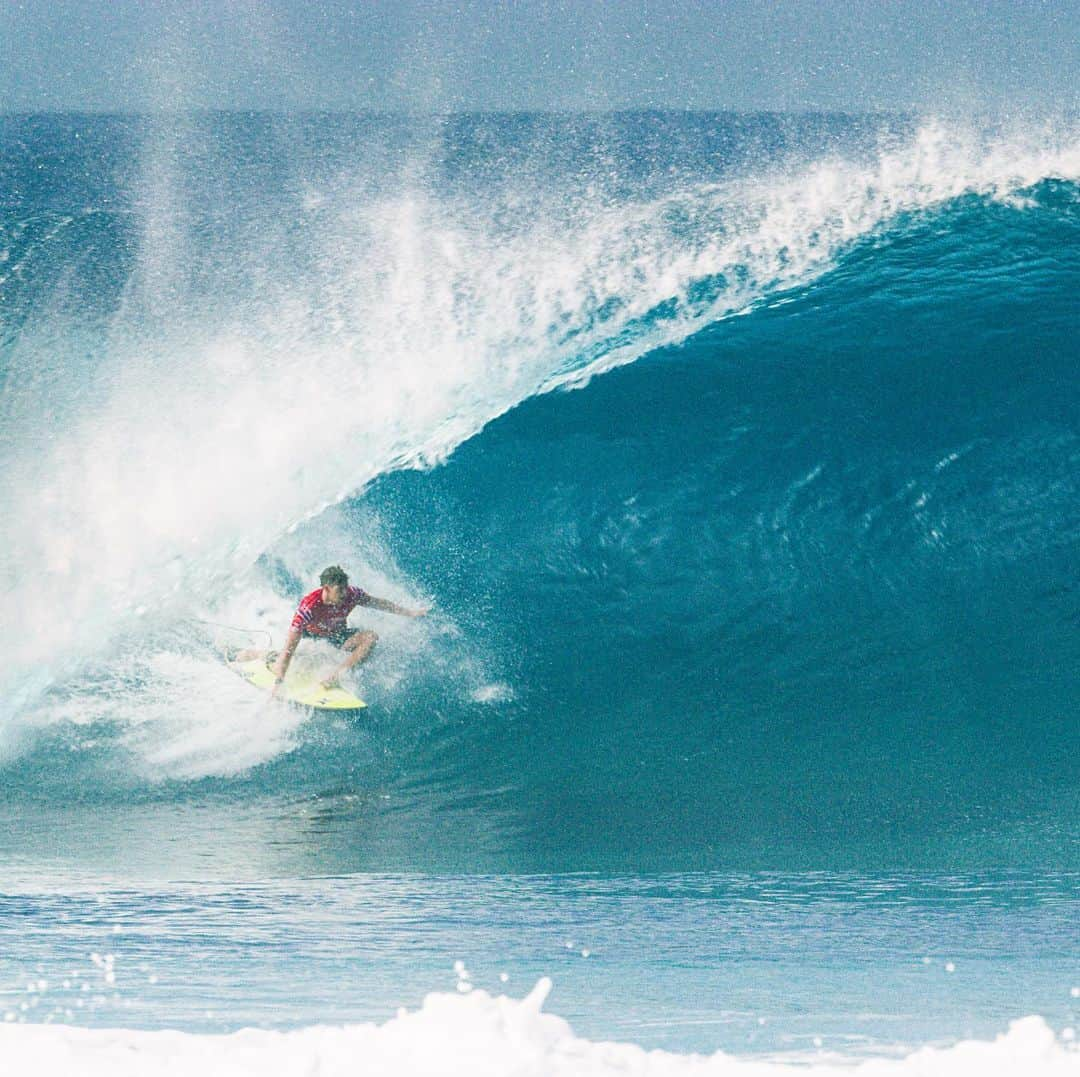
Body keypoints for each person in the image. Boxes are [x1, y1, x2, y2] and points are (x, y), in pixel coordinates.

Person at [271, 565, 426, 693]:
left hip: (338, 636)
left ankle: (336, 676)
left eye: (346, 588)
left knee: (370, 637)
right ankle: (261, 655)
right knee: (282, 657)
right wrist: (278, 683)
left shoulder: (352, 594)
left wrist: (410, 613)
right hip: (311, 639)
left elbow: (380, 604)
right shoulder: (309, 606)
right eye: (340, 590)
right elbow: (289, 649)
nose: (344, 593)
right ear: (327, 588)